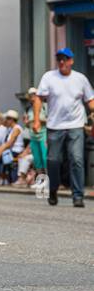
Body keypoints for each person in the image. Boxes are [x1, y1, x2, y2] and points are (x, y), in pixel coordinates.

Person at [32, 48, 93, 207]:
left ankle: (78, 195)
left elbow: (90, 101)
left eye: (65, 59)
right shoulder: (49, 77)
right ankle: (53, 189)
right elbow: (39, 99)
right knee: (53, 160)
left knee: (77, 159)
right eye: (59, 59)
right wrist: (37, 120)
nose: (61, 62)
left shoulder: (80, 79)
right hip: (55, 126)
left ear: (71, 61)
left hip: (75, 125)